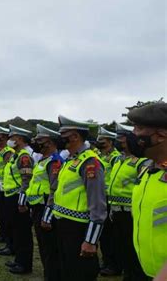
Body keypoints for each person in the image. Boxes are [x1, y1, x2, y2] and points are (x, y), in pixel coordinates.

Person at [50, 115, 107, 281]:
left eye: (63, 134)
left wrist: (90, 240)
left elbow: (98, 204)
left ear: (74, 136)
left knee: (81, 273)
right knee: (67, 270)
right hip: (63, 224)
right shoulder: (70, 160)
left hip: (78, 228)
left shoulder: (89, 162)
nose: (59, 139)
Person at [127, 102, 167, 279]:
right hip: (147, 270)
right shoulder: (148, 170)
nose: (133, 135)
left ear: (161, 135)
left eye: (139, 128)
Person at [106, 122, 151, 280]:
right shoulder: (118, 160)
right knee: (121, 249)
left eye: (122, 139)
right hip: (117, 211)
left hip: (130, 214)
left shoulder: (142, 162)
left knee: (133, 252)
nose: (119, 142)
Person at [27, 124, 64, 280]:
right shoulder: (43, 160)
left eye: (39, 139)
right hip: (37, 207)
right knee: (43, 247)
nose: (35, 142)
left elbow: (54, 190)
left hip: (45, 209)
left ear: (48, 142)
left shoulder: (54, 161)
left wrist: (47, 216)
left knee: (50, 250)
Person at [4, 125, 34, 275]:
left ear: (20, 139)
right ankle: (18, 259)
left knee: (23, 232)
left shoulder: (24, 157)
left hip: (18, 197)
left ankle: (24, 264)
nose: (9, 140)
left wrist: (22, 201)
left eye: (12, 138)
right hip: (11, 196)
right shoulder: (16, 155)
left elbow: (26, 180)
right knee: (16, 230)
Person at [97, 126, 122, 276]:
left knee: (111, 235)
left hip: (109, 200)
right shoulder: (100, 156)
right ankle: (106, 262)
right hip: (101, 198)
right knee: (103, 235)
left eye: (103, 140)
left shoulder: (115, 157)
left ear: (111, 142)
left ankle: (113, 265)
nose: (99, 142)